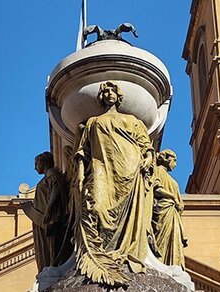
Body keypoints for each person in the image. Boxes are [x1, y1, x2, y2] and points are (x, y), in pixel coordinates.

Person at [73, 81, 155, 286]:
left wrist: (147, 158)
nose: (109, 94)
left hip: (130, 168)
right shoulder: (93, 122)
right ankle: (104, 253)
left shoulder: (132, 121)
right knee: (98, 208)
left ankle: (123, 251)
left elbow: (146, 146)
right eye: (106, 91)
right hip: (101, 168)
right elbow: (83, 152)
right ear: (101, 97)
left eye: (113, 91)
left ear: (119, 97)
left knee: (127, 215)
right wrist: (81, 175)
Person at [21, 151, 71, 271]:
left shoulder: (52, 174)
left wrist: (48, 209)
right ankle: (52, 266)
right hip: (46, 219)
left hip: (51, 218)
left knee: (52, 247)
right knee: (50, 248)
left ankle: (54, 266)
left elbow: (56, 189)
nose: (35, 167)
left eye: (36, 163)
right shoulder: (49, 175)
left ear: (43, 162)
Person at [152, 149, 188, 268]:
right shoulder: (156, 171)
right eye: (174, 160)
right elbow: (156, 189)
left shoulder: (173, 181)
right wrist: (172, 196)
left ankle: (173, 263)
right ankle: (161, 263)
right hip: (163, 211)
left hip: (173, 213)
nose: (176, 164)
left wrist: (179, 203)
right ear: (167, 159)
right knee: (160, 239)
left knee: (174, 240)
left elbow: (180, 202)